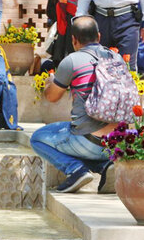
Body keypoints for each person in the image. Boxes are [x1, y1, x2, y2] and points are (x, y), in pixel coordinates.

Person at [30, 16, 117, 194]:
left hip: (87, 141)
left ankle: (76, 170)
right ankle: (104, 166)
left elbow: (52, 97)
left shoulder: (72, 61)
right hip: (116, 141)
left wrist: (50, 82)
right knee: (77, 131)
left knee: (37, 138)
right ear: (99, 37)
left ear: (74, 40)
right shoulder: (115, 57)